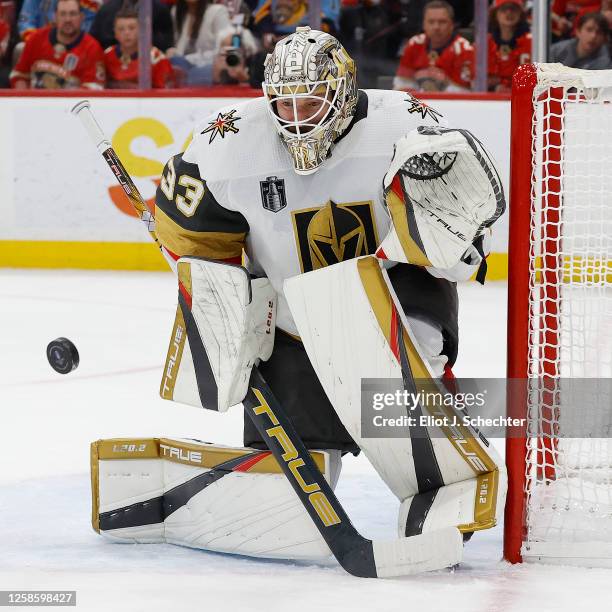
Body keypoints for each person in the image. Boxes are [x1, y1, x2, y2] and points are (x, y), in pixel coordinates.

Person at [144, 26, 506, 561]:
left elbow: (453, 227)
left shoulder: (402, 122)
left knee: (409, 365)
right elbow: (200, 245)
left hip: (394, 292)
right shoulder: (224, 145)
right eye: (283, 105)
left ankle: (440, 481)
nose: (296, 118)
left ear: (340, 91)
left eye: (310, 101)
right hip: (293, 315)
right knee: (287, 502)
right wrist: (231, 308)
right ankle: (299, 481)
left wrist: (452, 246)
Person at [10, 0, 105, 88]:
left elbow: (93, 91)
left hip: (72, 105)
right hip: (35, 104)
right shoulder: (36, 39)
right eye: (63, 14)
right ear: (55, 16)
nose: (68, 19)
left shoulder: (92, 48)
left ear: (81, 17)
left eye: (73, 14)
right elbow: (19, 76)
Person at [393, 0, 473, 92]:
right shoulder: (414, 44)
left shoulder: (464, 50)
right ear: (424, 24)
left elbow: (464, 93)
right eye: (431, 22)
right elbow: (402, 84)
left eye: (442, 22)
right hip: (418, 104)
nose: (436, 27)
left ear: (452, 25)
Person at [104, 5, 175, 88]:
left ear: (142, 30)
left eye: (132, 28)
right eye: (121, 29)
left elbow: (165, 95)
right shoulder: (107, 55)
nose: (126, 33)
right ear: (115, 33)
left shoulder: (157, 59)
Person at [165, 0, 231, 86]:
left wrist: (188, 59)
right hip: (182, 65)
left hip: (208, 67)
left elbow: (223, 52)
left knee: (190, 71)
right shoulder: (176, 12)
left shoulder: (217, 11)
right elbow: (179, 48)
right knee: (172, 62)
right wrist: (172, 52)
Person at [89, 0, 174, 52]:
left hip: (148, 64)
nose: (127, 33)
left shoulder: (160, 10)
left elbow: (166, 43)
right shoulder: (106, 10)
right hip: (111, 65)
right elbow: (93, 40)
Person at [488, 0, 531, 93]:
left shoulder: (532, 42)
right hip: (490, 101)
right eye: (504, 9)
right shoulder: (486, 43)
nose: (509, 12)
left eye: (513, 9)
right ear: (495, 14)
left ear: (520, 14)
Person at [17, 0, 101, 41]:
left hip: (75, 48)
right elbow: (25, 23)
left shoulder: (90, 2)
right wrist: (40, 42)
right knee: (20, 48)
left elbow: (89, 31)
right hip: (41, 45)